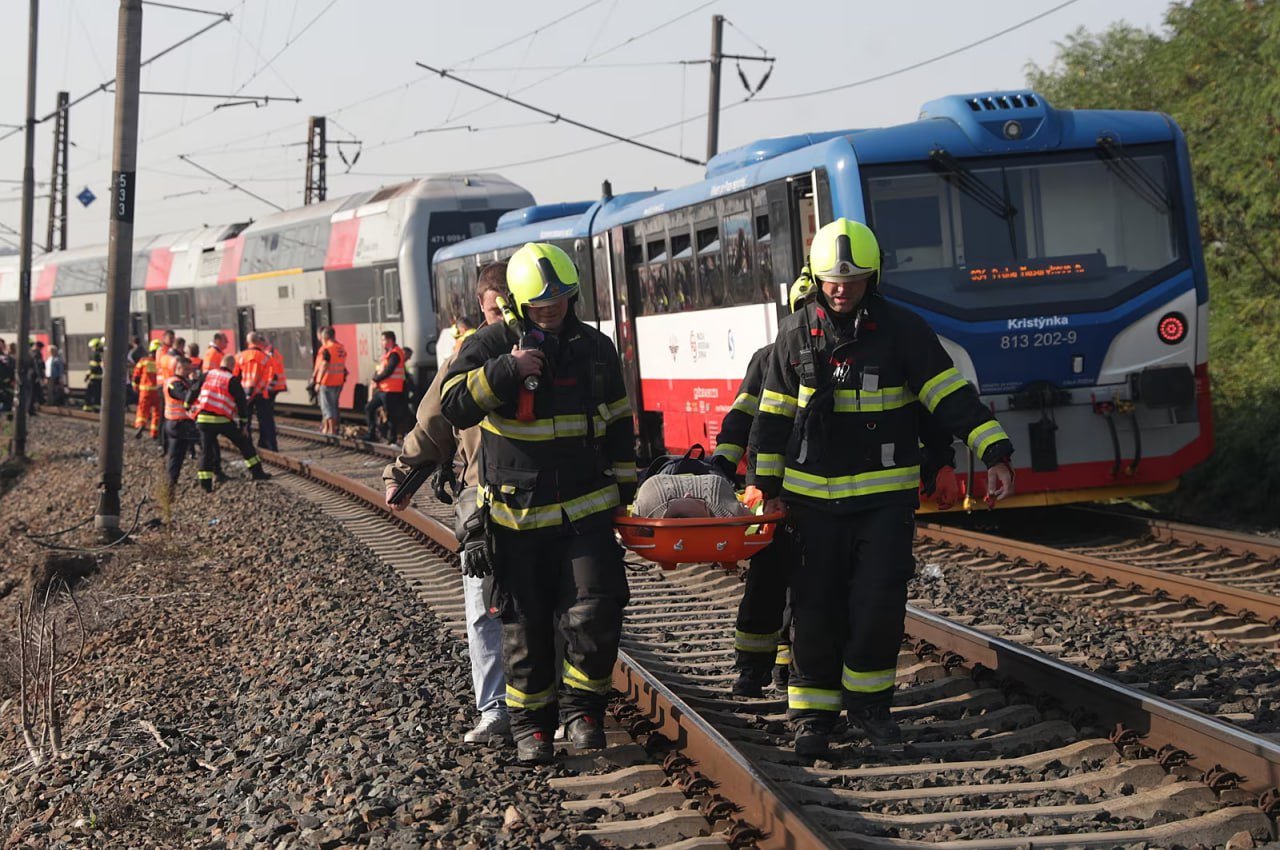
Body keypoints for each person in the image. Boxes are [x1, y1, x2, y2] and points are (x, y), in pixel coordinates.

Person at [751, 218, 1015, 757]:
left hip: (882, 506)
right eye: (831, 280)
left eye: (853, 279)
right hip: (812, 508)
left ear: (874, 277)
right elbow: (771, 418)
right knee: (814, 612)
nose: (841, 289)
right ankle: (813, 719)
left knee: (877, 608)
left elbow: (949, 397)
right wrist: (765, 488)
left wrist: (994, 450)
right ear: (816, 278)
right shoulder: (795, 335)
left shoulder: (904, 331)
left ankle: (870, 710)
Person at [722, 273, 966, 700]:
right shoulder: (776, 354)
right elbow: (753, 423)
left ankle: (800, 674)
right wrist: (739, 475)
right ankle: (755, 667)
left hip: (835, 499)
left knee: (834, 598)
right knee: (772, 585)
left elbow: (926, 413)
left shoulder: (883, 344)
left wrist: (941, 462)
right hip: (786, 494)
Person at [441, 243, 637, 765]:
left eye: (561, 302)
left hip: (587, 511)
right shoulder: (489, 344)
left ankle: (583, 713)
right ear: (518, 304)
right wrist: (507, 368)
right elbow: (454, 403)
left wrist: (627, 497)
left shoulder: (595, 348)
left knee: (594, 612)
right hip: (516, 519)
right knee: (525, 628)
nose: (551, 311)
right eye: (540, 305)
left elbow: (619, 421)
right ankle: (531, 728)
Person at [384, 262, 512, 747]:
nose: (503, 314)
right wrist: (402, 477)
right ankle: (500, 707)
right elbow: (435, 423)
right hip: (484, 498)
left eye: (509, 305)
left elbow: (432, 422)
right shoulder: (471, 352)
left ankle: (522, 706)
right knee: (487, 606)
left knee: (512, 607)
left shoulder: (543, 343)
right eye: (497, 305)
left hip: (519, 497)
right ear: (483, 305)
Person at [188, 354, 272, 491]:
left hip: (203, 420)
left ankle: (206, 485)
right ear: (232, 366)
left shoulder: (207, 374)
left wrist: (187, 405)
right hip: (223, 420)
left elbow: (193, 390)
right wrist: (244, 425)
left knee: (206, 452)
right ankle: (257, 473)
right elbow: (241, 404)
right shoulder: (231, 380)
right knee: (244, 444)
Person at [234, 331, 278, 452]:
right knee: (266, 421)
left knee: (245, 421)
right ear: (259, 342)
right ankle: (269, 446)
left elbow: (234, 377)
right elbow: (271, 377)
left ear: (248, 342)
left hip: (244, 394)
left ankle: (246, 446)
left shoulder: (239, 357)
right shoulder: (266, 358)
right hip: (261, 394)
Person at [162, 357, 201, 492]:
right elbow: (185, 396)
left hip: (177, 424)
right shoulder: (175, 383)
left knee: (176, 457)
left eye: (190, 369)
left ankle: (170, 485)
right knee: (206, 444)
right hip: (179, 423)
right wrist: (196, 383)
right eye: (186, 369)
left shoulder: (183, 381)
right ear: (177, 368)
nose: (188, 372)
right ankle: (213, 474)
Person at [364, 330, 407, 444]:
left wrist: (376, 379)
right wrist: (375, 378)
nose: (381, 343)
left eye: (383, 340)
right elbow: (380, 369)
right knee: (369, 408)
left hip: (392, 390)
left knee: (391, 415)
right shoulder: (387, 355)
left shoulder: (396, 353)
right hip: (383, 389)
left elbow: (389, 370)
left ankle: (392, 438)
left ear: (390, 340)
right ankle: (371, 433)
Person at [310, 327, 347, 436]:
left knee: (327, 407)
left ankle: (332, 431)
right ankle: (332, 428)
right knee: (334, 405)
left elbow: (324, 365)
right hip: (339, 381)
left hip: (327, 381)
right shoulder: (340, 348)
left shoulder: (326, 349)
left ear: (325, 337)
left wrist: (318, 382)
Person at [132, 340, 163, 440]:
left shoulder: (144, 361)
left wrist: (135, 386)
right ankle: (154, 433)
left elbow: (136, 376)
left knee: (142, 410)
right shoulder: (161, 362)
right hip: (158, 392)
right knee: (157, 412)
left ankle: (141, 425)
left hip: (145, 391)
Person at [83, 338, 104, 412]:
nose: (92, 349)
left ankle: (87, 408)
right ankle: (97, 408)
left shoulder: (95, 355)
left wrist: (87, 376)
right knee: (98, 395)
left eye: (92, 347)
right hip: (100, 379)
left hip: (94, 379)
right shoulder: (102, 354)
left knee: (89, 394)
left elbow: (93, 368)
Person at [0, 339, 14, 413]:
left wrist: (12, 379)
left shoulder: (8, 357)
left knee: (7, 399)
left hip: (6, 381)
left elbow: (11, 368)